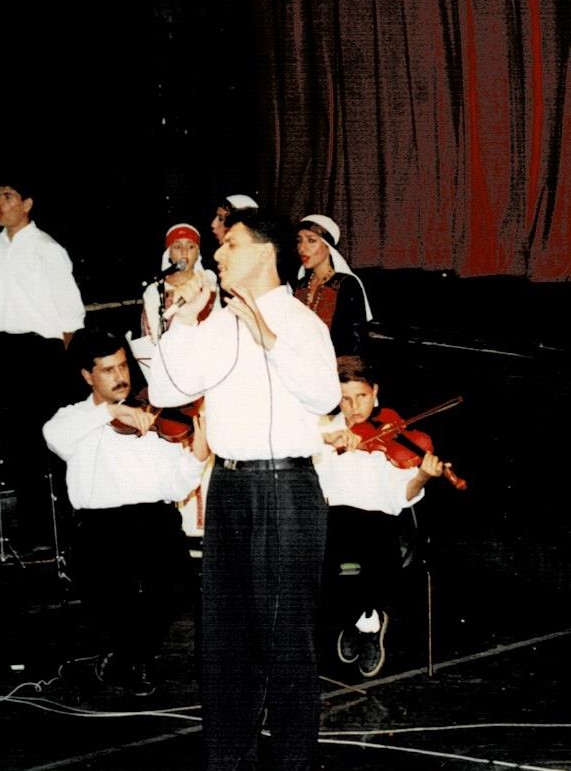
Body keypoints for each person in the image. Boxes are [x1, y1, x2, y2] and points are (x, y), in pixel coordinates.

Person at [147, 208, 340, 771]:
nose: (218, 254)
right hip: (230, 486)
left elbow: (325, 396)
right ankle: (229, 761)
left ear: (264, 252)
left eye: (230, 244)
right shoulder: (219, 321)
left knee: (284, 640)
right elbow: (164, 389)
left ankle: (295, 763)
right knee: (225, 640)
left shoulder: (300, 321)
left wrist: (269, 339)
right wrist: (183, 322)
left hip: (284, 488)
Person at [43, 327, 208, 696]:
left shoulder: (153, 416)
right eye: (108, 370)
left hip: (154, 519)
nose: (120, 376)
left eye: (123, 366)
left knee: (175, 586)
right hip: (101, 527)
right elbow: (54, 437)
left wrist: (196, 457)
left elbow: (175, 487)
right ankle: (130, 656)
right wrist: (110, 411)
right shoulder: (74, 419)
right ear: (87, 376)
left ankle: (128, 658)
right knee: (115, 598)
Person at [315, 355, 447, 678]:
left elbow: (402, 496)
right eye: (345, 399)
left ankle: (356, 618)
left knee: (360, 546)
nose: (354, 407)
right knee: (326, 548)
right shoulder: (323, 430)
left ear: (375, 392)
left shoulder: (393, 432)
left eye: (361, 396)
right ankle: (367, 620)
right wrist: (325, 440)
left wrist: (422, 477)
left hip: (382, 527)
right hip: (333, 526)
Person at [0, 180, 85, 559]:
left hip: (42, 354)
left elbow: (71, 316)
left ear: (27, 204)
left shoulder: (47, 249)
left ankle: (72, 529)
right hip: (4, 351)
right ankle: (35, 531)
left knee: (53, 445)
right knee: (19, 447)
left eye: (7, 197)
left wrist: (64, 367)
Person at [294, 214, 373, 356]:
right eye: (299, 241)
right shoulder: (300, 285)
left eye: (311, 240)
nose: (302, 248)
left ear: (328, 246)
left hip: (334, 363)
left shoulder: (347, 284)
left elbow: (355, 343)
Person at [140, 222, 220, 343]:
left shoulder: (207, 280)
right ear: (169, 254)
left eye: (191, 247)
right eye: (177, 247)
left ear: (198, 254)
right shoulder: (155, 290)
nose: (184, 252)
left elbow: (218, 322)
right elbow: (153, 337)